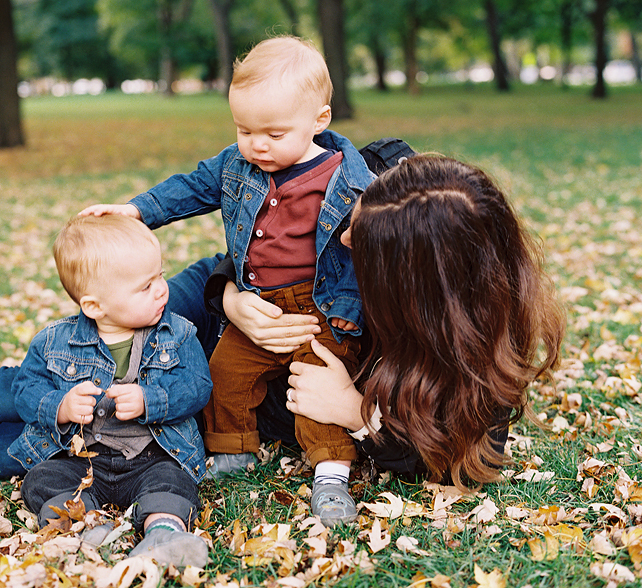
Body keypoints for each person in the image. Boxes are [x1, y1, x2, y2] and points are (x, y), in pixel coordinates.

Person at [80, 36, 375, 526]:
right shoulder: (238, 165)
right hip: (257, 300)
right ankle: (233, 454)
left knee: (316, 386)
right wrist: (136, 210)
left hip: (321, 309)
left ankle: (331, 475)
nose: (258, 144)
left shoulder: (349, 180)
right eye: (244, 129)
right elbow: (190, 188)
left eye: (275, 134)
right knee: (225, 373)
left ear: (319, 120)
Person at [226, 153, 566, 489]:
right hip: (226, 332)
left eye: (359, 244)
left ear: (409, 292)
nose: (342, 240)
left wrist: (355, 412)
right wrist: (229, 299)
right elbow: (256, 239)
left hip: (266, 403)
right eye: (349, 222)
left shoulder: (482, 341)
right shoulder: (379, 178)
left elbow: (465, 462)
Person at [8, 215, 212, 568]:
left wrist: (152, 399)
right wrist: (61, 406)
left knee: (172, 481)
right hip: (83, 461)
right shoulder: (54, 341)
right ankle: (88, 525)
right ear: (94, 306)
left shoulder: (178, 334)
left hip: (151, 457)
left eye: (160, 275)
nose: (163, 289)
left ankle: (163, 533)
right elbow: (25, 389)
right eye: (145, 286)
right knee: (41, 480)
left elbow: (198, 386)